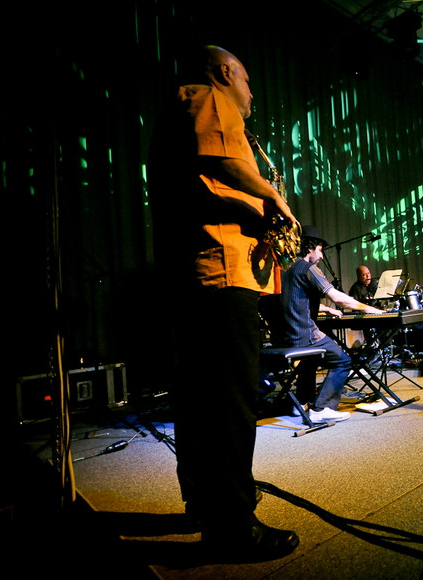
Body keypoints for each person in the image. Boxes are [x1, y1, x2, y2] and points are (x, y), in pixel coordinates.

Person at [147, 45, 300, 560]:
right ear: (226, 71)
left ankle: (204, 502)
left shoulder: (180, 105)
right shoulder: (210, 96)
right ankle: (233, 527)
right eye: (249, 80)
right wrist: (273, 201)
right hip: (220, 270)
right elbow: (224, 163)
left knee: (198, 402)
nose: (252, 93)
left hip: (191, 275)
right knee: (231, 405)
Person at [267, 227, 385, 422]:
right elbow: (339, 298)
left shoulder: (282, 269)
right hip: (304, 336)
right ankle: (321, 408)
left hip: (282, 339)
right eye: (320, 250)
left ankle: (302, 402)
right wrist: (369, 309)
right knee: (343, 360)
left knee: (310, 360)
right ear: (310, 248)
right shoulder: (308, 268)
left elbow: (292, 301)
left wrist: (325, 309)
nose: (321, 256)